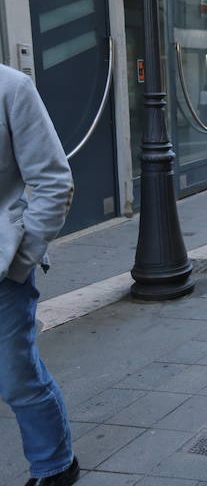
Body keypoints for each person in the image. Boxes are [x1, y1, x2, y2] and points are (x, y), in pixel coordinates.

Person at [0, 64, 78, 486]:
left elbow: (53, 181)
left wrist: (20, 257)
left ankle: (54, 464)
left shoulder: (10, 86)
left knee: (16, 379)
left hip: (2, 275)